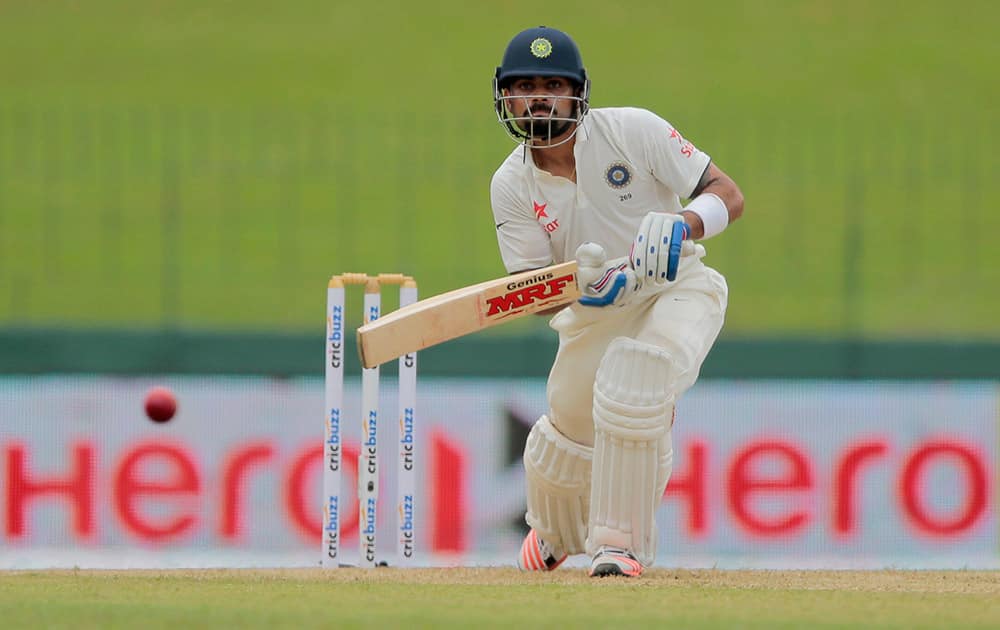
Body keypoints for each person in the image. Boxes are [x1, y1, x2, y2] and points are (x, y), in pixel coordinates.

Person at [490, 26, 744, 577]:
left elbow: (728, 193)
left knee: (637, 385)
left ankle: (616, 544)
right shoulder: (511, 184)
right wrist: (581, 284)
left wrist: (682, 224)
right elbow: (531, 293)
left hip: (679, 289)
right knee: (569, 420)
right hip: (591, 316)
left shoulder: (633, 129)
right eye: (524, 85)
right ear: (505, 96)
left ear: (578, 90)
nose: (538, 96)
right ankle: (557, 532)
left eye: (552, 84)